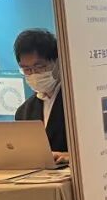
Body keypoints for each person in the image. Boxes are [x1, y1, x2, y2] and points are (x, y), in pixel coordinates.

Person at [13, 29, 68, 163]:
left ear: (57, 63)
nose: (33, 74)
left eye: (39, 67)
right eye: (26, 69)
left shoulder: (76, 102)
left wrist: (71, 156)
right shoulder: (23, 112)